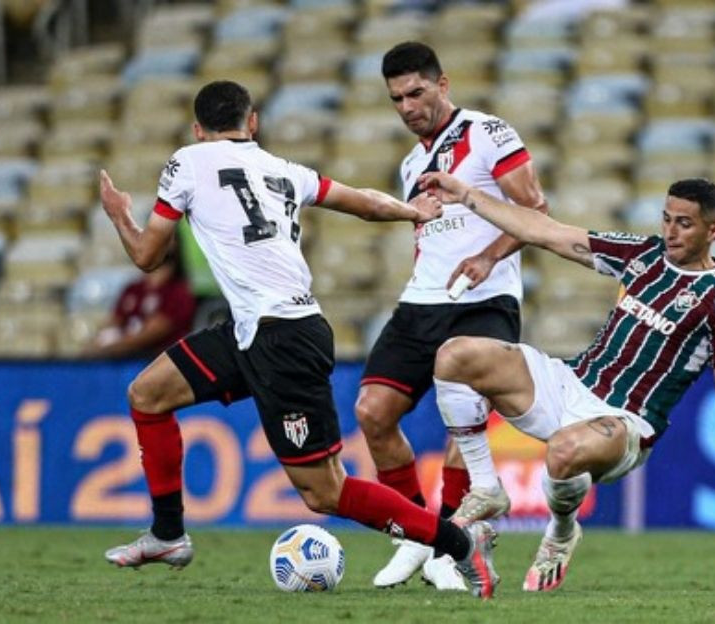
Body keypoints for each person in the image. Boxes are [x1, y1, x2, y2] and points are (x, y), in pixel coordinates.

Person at [99, 80, 499, 599]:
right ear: (253, 123)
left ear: (197, 130)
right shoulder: (285, 170)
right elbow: (362, 202)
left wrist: (119, 215)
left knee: (325, 492)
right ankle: (168, 534)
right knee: (148, 395)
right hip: (256, 328)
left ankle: (459, 543)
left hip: (282, 336)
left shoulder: (186, 162)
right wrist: (412, 211)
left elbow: (148, 256)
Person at [417, 172, 715, 592]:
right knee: (454, 356)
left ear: (714, 232)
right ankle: (487, 487)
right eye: (667, 218)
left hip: (625, 422)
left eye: (684, 224)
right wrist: (467, 194)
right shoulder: (643, 255)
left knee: (563, 451)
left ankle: (561, 532)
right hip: (569, 381)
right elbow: (545, 231)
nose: (671, 231)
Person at [358, 41, 547, 590]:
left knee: (464, 414)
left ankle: (449, 541)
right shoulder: (411, 163)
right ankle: (417, 535)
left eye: (416, 92)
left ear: (443, 85)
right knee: (372, 412)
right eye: (397, 98)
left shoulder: (489, 134)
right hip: (423, 302)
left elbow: (535, 210)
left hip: (485, 299)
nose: (407, 106)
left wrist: (488, 257)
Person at [85, 251, 196, 359]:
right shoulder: (133, 288)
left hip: (157, 357)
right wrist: (97, 342)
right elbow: (115, 320)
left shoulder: (177, 292)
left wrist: (111, 348)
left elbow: (152, 333)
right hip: (123, 354)